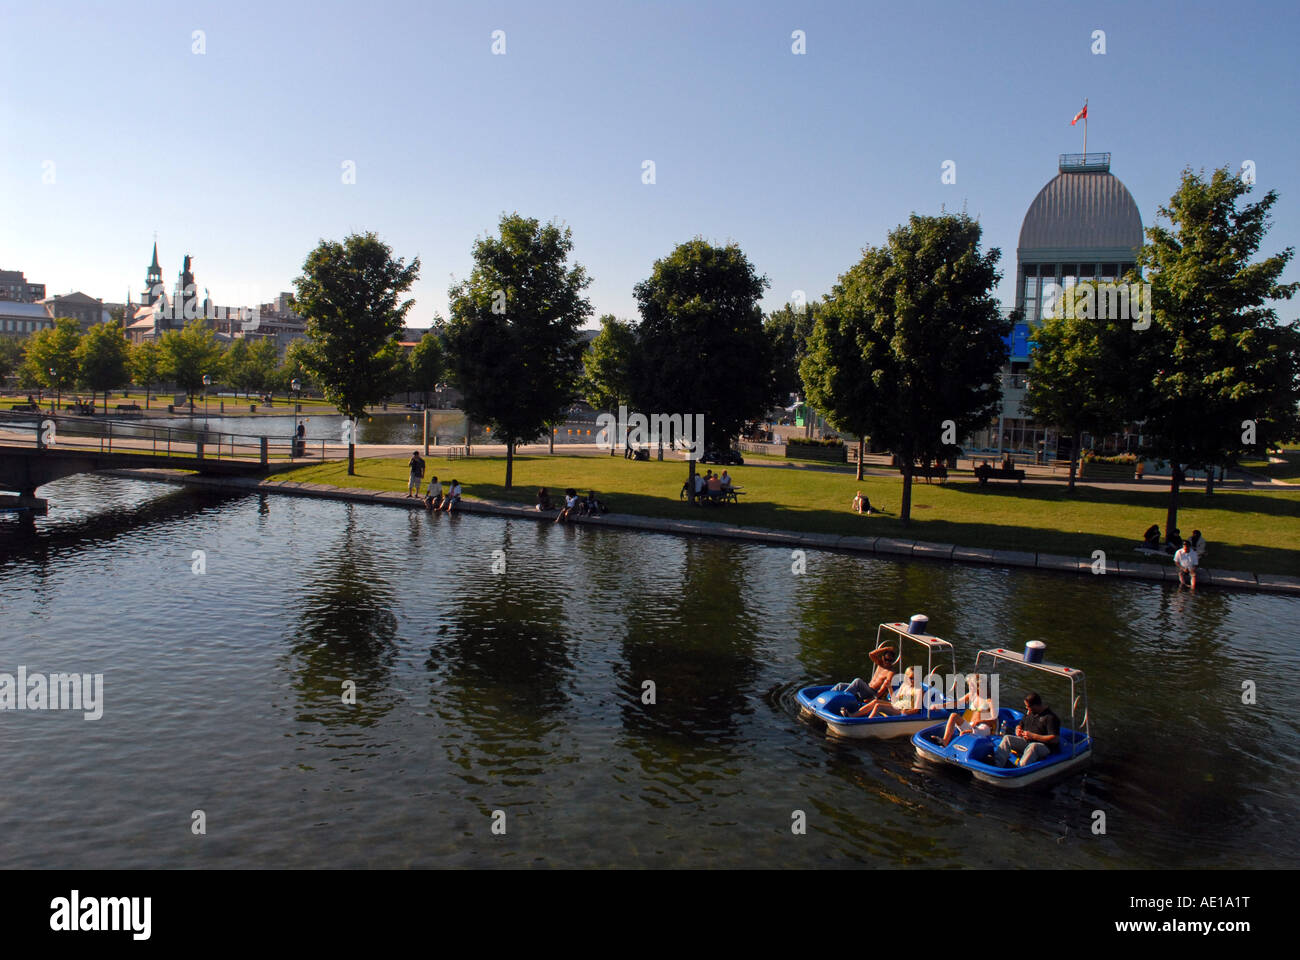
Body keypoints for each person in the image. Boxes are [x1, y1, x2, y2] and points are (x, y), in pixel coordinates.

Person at [992, 692, 1059, 768]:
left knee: (1033, 746)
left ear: (1036, 706)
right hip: (1027, 741)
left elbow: (1055, 739)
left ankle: (1020, 768)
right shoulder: (1030, 713)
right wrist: (1018, 729)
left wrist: (1033, 736)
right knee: (1007, 738)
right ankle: (997, 764)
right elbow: (1020, 724)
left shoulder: (1050, 718)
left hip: (1044, 746)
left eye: (1028, 707)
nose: (1027, 709)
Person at [937, 674, 997, 746]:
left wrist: (979, 721)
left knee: (964, 733)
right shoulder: (972, 695)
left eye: (971, 686)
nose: (969, 688)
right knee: (953, 716)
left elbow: (994, 719)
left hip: (983, 728)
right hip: (972, 724)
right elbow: (957, 703)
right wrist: (940, 705)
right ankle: (945, 741)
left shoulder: (989, 700)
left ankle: (959, 746)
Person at [832, 646, 898, 707]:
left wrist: (873, 699)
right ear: (883, 657)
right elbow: (871, 654)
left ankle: (843, 699)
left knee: (858, 681)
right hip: (867, 687)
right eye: (886, 659)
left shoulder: (890, 672)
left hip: (872, 693)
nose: (887, 662)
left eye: (890, 660)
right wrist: (886, 648)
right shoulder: (880, 663)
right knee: (840, 685)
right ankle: (828, 699)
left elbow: (882, 690)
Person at [851, 666, 924, 718]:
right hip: (897, 706)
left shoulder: (918, 690)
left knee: (878, 706)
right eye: (910, 678)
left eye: (915, 678)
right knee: (875, 701)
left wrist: (905, 712)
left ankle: (867, 722)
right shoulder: (904, 685)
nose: (913, 680)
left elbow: (916, 709)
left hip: (902, 710)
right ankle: (853, 715)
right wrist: (889, 688)